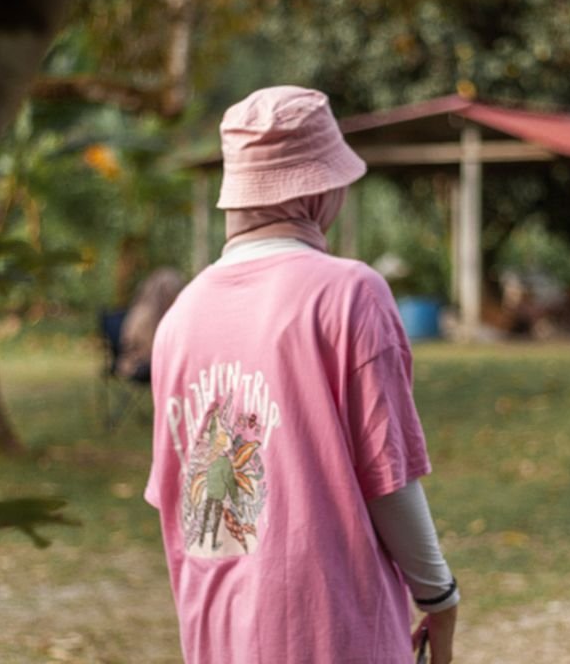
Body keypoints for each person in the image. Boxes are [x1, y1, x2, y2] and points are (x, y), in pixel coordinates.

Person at [144, 86, 459, 664]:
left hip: (218, 643)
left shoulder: (178, 321)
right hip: (334, 637)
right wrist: (438, 594)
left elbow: (188, 516)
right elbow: (387, 478)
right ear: (317, 188)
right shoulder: (349, 294)